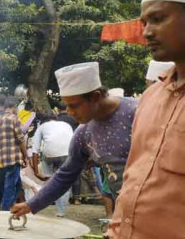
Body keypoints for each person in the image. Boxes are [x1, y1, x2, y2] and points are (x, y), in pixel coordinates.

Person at [101, 0, 185, 239]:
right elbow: (133, 182)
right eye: (144, 20)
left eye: (158, 18)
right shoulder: (151, 98)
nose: (146, 31)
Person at [10, 62, 137, 219]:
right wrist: (32, 204)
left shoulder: (137, 112)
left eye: (74, 106)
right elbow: (65, 175)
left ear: (96, 97)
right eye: (67, 106)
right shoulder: (84, 132)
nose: (69, 112)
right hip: (125, 212)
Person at [31, 112, 74, 217]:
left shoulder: (42, 127)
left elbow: (35, 150)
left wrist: (36, 171)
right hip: (67, 154)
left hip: (49, 156)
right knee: (65, 181)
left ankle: (49, 183)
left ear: (43, 120)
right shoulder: (66, 125)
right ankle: (61, 210)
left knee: (50, 179)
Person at [0, 96, 29, 210]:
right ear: (14, 107)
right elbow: (21, 139)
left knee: (17, 184)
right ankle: (5, 209)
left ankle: (12, 205)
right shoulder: (14, 118)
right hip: (14, 156)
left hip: (3, 157)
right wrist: (25, 156)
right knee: (11, 185)